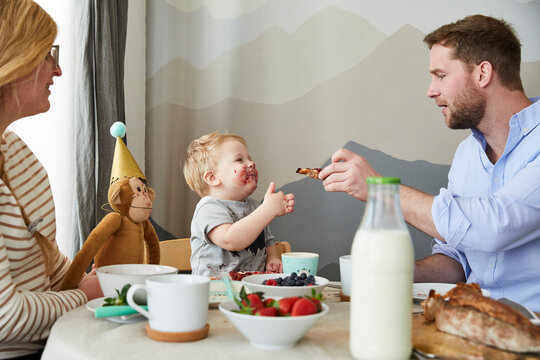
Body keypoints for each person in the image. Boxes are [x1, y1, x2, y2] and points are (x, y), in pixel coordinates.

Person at [319, 15, 540, 311]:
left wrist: (379, 190)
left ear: (482, 73)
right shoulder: (467, 155)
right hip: (474, 323)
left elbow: (495, 226)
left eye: (440, 75)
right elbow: (457, 258)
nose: (431, 90)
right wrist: (395, 272)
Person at [0, 1, 102, 358]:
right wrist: (85, 294)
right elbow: (4, 317)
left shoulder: (14, 150)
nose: (56, 70)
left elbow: (46, 265)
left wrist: (104, 281)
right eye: (46, 55)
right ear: (13, 60)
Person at [183, 131, 295, 276]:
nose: (251, 163)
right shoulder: (208, 208)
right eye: (239, 160)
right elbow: (231, 240)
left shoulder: (255, 207)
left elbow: (268, 241)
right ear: (212, 177)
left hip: (252, 287)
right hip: (216, 290)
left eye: (250, 158)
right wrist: (268, 209)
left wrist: (272, 258)